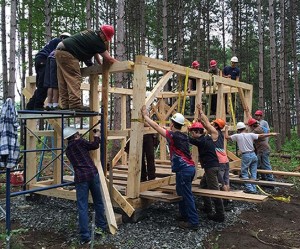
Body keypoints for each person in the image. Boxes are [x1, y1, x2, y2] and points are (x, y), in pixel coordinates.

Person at [141, 107, 199, 230]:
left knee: (187, 194)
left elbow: (157, 127)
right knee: (180, 191)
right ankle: (184, 215)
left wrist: (145, 116)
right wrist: (146, 121)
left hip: (184, 169)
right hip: (187, 168)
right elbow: (158, 127)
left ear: (172, 124)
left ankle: (193, 222)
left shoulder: (172, 136)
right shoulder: (182, 135)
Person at [56, 25, 119, 111]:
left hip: (59, 52)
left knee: (63, 80)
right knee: (74, 78)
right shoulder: (97, 41)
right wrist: (121, 64)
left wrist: (100, 64)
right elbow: (108, 58)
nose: (105, 40)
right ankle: (75, 105)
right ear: (102, 34)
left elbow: (95, 52)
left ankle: (65, 105)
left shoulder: (91, 33)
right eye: (106, 38)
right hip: (69, 54)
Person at [64, 126, 107, 245]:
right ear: (76, 135)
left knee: (82, 207)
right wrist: (97, 135)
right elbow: (94, 146)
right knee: (98, 201)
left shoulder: (68, 151)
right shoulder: (80, 142)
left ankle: (85, 237)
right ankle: (101, 228)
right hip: (92, 174)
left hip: (81, 179)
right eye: (78, 134)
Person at [224, 122, 277, 194]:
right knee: (253, 173)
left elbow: (226, 137)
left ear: (238, 130)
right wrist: (271, 134)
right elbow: (262, 135)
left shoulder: (237, 136)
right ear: (245, 128)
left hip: (246, 156)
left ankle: (250, 189)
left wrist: (226, 129)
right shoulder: (250, 134)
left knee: (244, 173)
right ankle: (254, 188)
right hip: (253, 155)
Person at [188, 122, 225, 222]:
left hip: (211, 168)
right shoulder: (207, 137)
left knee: (215, 192)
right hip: (212, 167)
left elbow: (190, 140)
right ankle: (207, 207)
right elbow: (195, 137)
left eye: (192, 132)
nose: (192, 134)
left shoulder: (201, 141)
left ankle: (220, 215)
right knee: (203, 186)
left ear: (196, 132)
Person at [26, 33, 69, 110]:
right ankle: (38, 106)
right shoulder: (60, 42)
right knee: (44, 84)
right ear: (65, 38)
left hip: (40, 59)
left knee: (41, 85)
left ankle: (31, 105)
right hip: (44, 60)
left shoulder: (53, 42)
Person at [196, 104, 230, 193]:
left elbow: (207, 123)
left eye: (213, 123)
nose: (212, 123)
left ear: (216, 126)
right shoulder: (219, 133)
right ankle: (227, 199)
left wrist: (200, 110)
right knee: (225, 182)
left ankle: (224, 200)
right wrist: (200, 120)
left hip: (219, 162)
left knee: (221, 183)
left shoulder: (215, 132)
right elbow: (206, 125)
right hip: (224, 160)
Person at [44, 33, 71, 111]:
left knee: (50, 84)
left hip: (49, 59)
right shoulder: (65, 44)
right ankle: (55, 105)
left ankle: (49, 104)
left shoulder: (57, 44)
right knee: (55, 83)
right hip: (55, 59)